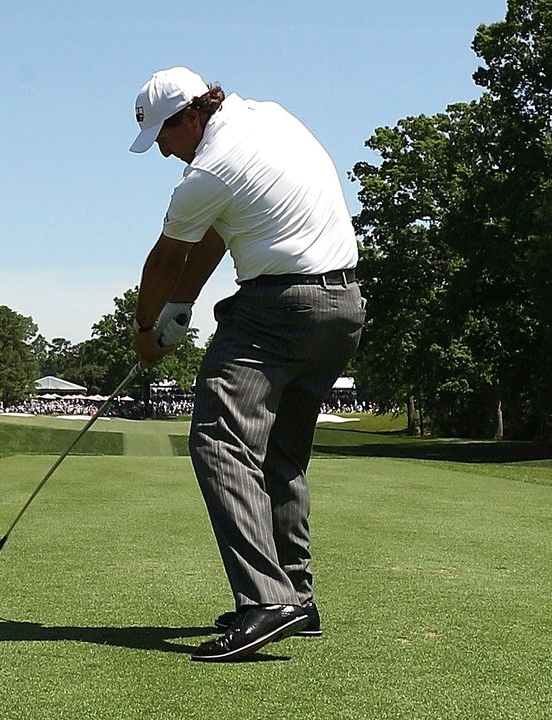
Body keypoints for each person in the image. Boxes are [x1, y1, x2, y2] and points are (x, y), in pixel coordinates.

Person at [128, 67, 366, 662]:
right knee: (280, 457)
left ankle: (265, 601)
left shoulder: (207, 169)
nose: (162, 149)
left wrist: (144, 331)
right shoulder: (270, 116)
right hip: (343, 308)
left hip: (276, 310)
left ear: (189, 116)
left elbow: (164, 260)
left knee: (217, 441)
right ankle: (296, 598)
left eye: (162, 135)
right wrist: (183, 307)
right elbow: (217, 233)